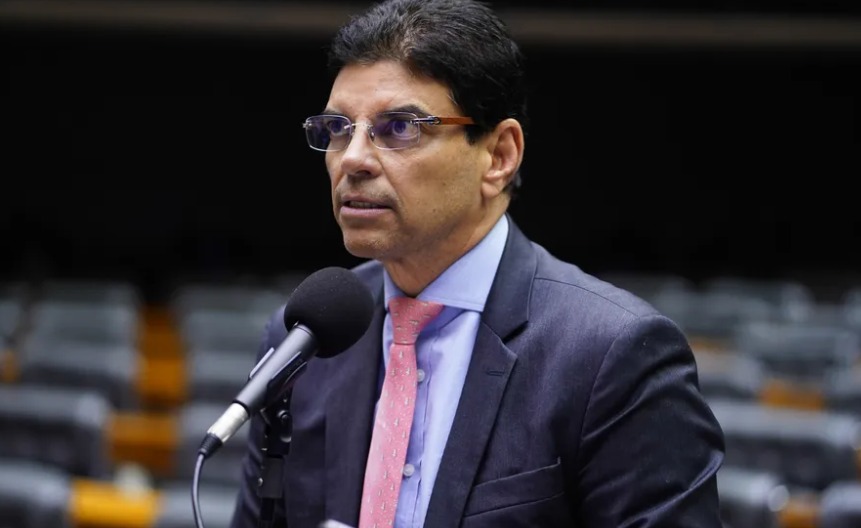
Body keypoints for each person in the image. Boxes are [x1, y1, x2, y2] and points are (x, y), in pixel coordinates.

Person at [230, 0, 725, 526]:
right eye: (338, 127)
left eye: (398, 127)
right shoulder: (307, 339)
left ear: (499, 156)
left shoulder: (612, 355)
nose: (352, 158)